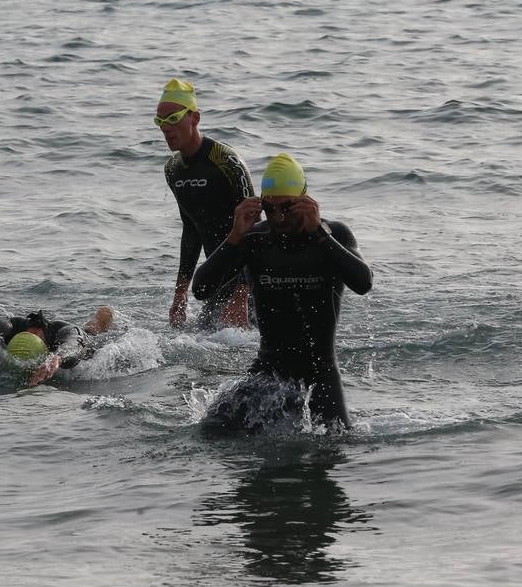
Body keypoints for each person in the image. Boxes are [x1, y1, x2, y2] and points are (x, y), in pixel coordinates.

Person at [192, 153, 372, 432]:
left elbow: (363, 282)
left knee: (334, 446)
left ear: (306, 201)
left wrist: (319, 236)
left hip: (320, 375)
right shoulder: (255, 241)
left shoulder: (333, 235)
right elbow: (201, 289)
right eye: (269, 208)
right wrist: (234, 236)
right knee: (211, 431)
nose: (278, 217)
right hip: (268, 372)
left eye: (287, 207)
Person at [157, 78, 254, 329]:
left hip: (253, 284)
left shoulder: (227, 161)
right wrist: (180, 294)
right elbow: (191, 231)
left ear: (195, 118)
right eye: (160, 121)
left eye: (173, 119)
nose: (165, 128)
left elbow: (254, 228)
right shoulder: (172, 170)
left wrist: (243, 293)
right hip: (217, 283)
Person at [0, 306, 114, 387]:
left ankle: (103, 316)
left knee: (92, 330)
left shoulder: (65, 332)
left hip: (83, 338)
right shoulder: (9, 326)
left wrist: (58, 358)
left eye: (36, 338)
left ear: (43, 335)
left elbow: (74, 346)